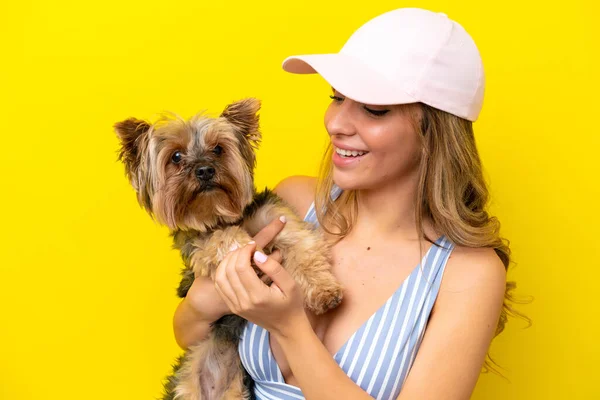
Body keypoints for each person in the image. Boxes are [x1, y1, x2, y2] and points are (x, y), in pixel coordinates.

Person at [173, 7, 517, 400]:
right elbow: (191, 336)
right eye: (337, 98)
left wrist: (289, 327)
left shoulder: (469, 273)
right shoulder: (293, 205)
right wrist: (203, 301)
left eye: (374, 109)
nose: (336, 123)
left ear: (435, 131)